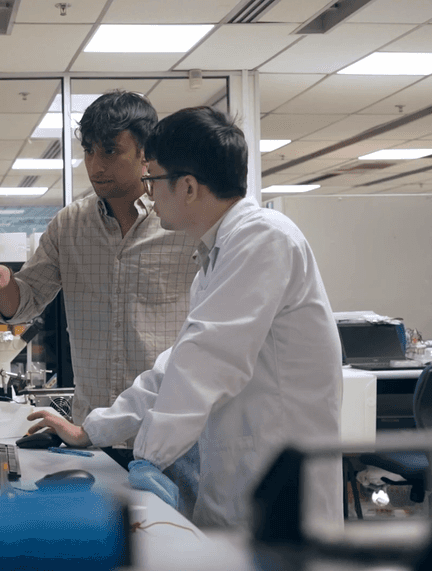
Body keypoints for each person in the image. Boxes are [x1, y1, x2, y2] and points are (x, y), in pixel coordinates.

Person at [25, 106, 344, 528]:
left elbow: (207, 361)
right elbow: (178, 362)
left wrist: (149, 456)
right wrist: (94, 429)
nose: (149, 191)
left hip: (279, 490)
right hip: (239, 481)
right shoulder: (216, 256)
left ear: (189, 187)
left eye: (153, 178)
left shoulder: (264, 238)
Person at [0, 90, 201, 513]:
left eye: (111, 151)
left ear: (145, 153)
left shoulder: (182, 225)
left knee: (174, 550)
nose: (96, 165)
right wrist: (4, 284)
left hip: (169, 435)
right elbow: (26, 301)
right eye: (89, 150)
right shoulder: (69, 225)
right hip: (93, 435)